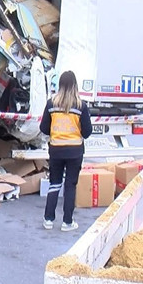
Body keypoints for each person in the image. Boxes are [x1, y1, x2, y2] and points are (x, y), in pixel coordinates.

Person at [39, 71, 92, 231]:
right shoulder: (80, 106)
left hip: (56, 150)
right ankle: (67, 222)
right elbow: (87, 132)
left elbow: (43, 128)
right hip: (75, 151)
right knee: (70, 185)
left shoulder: (51, 104)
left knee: (54, 183)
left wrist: (56, 132)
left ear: (60, 85)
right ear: (75, 85)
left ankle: (48, 219)